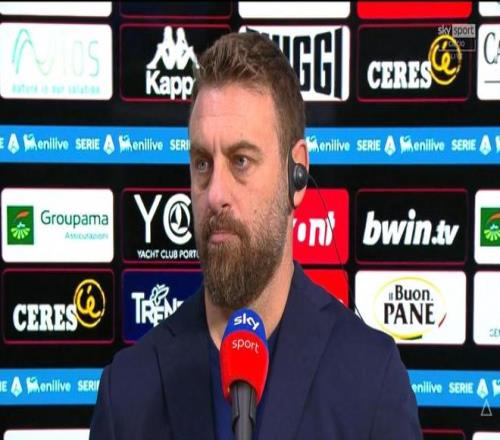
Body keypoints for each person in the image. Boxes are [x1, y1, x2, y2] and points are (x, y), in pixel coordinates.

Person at [90, 32, 422, 439]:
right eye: (202, 163)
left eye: (241, 161)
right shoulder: (127, 394)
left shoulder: (370, 381)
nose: (216, 194)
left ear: (297, 173)